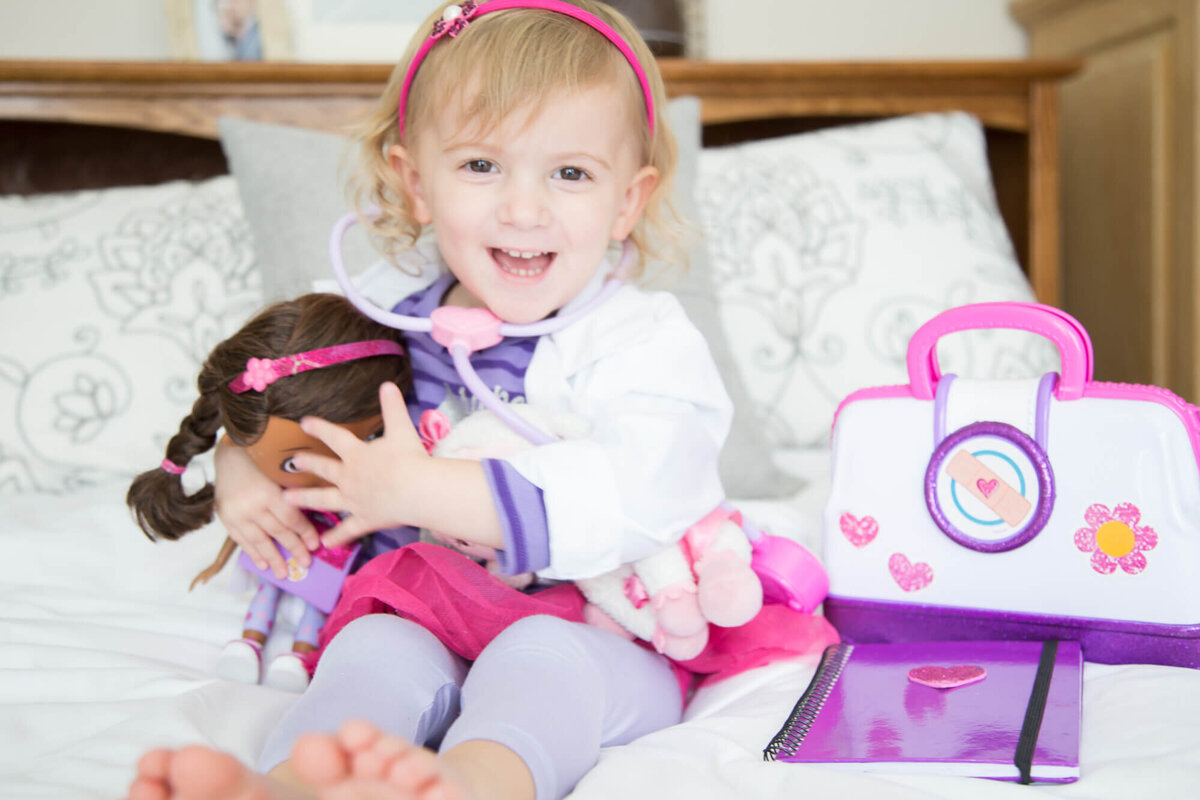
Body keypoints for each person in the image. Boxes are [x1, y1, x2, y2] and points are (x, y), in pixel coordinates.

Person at [127, 3, 837, 799]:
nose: (523, 209)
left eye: (570, 173)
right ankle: (296, 783)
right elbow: (280, 390)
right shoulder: (378, 313)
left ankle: (469, 784)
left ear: (628, 202)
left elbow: (648, 482)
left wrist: (427, 491)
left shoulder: (643, 342)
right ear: (414, 182)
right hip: (424, 603)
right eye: (480, 166)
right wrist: (244, 467)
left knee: (541, 664)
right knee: (370, 652)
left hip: (601, 627)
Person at [125, 293, 413, 692]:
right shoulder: (258, 485)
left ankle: (298, 653)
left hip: (346, 573)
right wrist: (234, 459)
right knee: (270, 590)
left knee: (317, 603)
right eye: (294, 463)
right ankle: (250, 642)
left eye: (371, 438)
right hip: (292, 560)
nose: (331, 472)